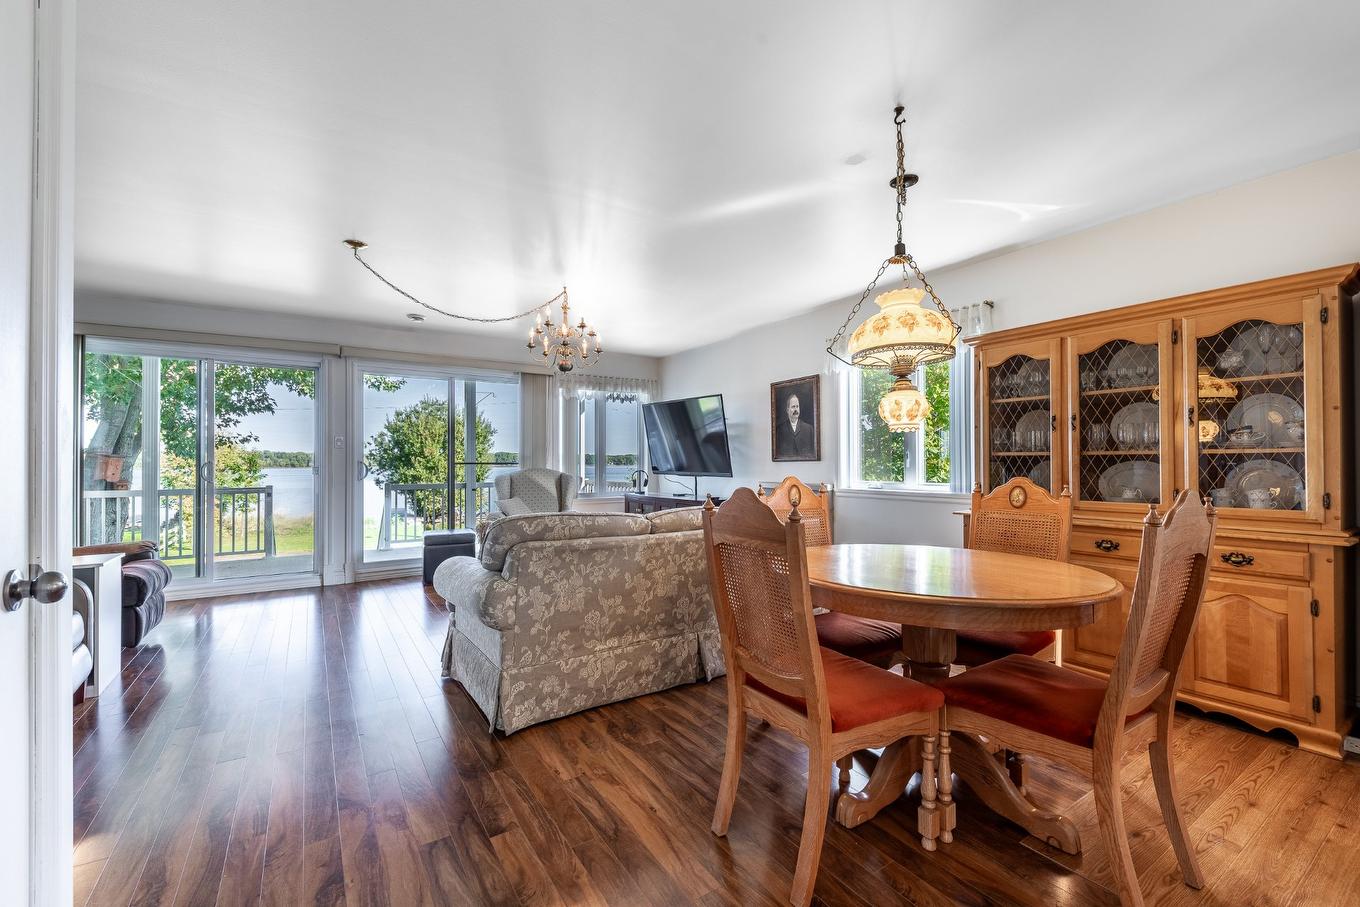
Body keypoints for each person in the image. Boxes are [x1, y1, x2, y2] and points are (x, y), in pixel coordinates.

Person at [775, 391, 816, 458]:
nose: (796, 409)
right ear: (787, 410)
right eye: (793, 407)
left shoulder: (809, 429)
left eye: (797, 406)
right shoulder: (779, 430)